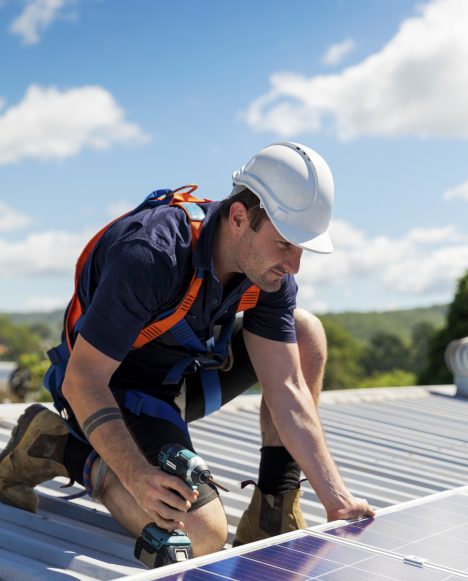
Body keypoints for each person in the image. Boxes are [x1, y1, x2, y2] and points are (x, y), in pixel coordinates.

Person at [0, 142, 374, 561]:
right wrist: (138, 476)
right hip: (105, 389)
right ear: (239, 218)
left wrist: (337, 500)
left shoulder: (267, 276)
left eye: (302, 247)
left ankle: (273, 509)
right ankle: (62, 447)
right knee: (202, 536)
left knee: (305, 333)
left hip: (178, 377)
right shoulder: (152, 254)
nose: (295, 264)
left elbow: (288, 388)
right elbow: (83, 380)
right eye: (286, 243)